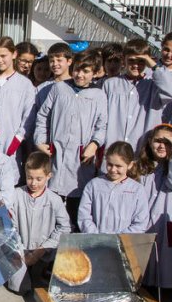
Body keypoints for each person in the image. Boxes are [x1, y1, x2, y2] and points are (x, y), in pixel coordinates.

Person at [33, 52, 107, 230]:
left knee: (77, 202)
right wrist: (40, 140)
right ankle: (48, 250)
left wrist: (94, 144)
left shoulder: (98, 95)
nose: (80, 75)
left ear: (95, 73)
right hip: (56, 153)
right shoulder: (59, 89)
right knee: (53, 201)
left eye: (86, 71)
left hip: (81, 158)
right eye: (77, 70)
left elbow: (102, 125)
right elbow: (43, 116)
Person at [7, 152, 70, 293]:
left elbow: (64, 227)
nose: (33, 183)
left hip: (44, 253)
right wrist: (21, 249)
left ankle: (43, 272)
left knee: (44, 289)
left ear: (49, 176)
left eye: (39, 179)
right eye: (30, 178)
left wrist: (42, 250)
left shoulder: (54, 200)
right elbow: (11, 226)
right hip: (21, 250)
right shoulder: (16, 194)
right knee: (19, 289)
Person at [101, 39, 172, 152]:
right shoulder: (110, 84)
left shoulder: (154, 85)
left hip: (142, 152)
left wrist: (153, 65)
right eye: (131, 60)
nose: (136, 65)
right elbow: (102, 117)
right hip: (115, 150)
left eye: (141, 61)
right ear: (124, 60)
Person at [136, 125, 172, 289]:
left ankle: (165, 290)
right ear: (150, 142)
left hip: (169, 219)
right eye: (158, 141)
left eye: (167, 142)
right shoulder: (141, 166)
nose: (161, 146)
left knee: (167, 257)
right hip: (146, 219)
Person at [0, 37, 36, 182]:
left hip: (11, 147)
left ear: (14, 54)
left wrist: (17, 140)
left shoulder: (25, 84)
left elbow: (28, 118)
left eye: (3, 56)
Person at [78, 141, 148, 234]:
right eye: (110, 164)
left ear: (130, 165)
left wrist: (119, 239)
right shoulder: (94, 185)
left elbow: (140, 223)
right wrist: (96, 237)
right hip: (96, 243)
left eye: (118, 166)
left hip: (124, 244)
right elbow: (84, 216)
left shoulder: (137, 190)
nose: (113, 169)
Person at [35, 43, 73, 107]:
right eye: (52, 61)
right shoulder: (42, 88)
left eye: (59, 60)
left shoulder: (76, 86)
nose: (55, 64)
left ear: (69, 61)